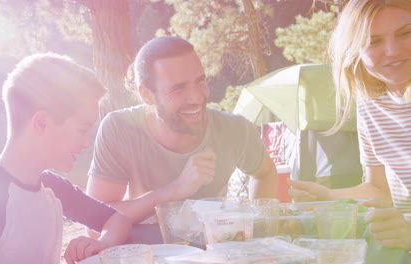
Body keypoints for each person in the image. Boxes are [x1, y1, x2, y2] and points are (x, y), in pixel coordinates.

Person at [0, 53, 131, 264]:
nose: (87, 143)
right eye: (82, 129)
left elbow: (116, 220)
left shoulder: (52, 187)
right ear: (41, 123)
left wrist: (102, 243)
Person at [85, 36, 278, 236]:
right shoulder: (120, 128)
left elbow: (265, 173)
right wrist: (177, 189)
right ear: (147, 95)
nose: (196, 98)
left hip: (214, 252)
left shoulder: (235, 129)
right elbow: (94, 222)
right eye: (178, 88)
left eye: (200, 81)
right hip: (145, 252)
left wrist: (258, 233)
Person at [288, 0, 411, 250]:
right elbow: (380, 190)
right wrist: (328, 197)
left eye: (406, 33)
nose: (392, 51)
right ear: (354, 51)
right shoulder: (370, 104)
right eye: (373, 41)